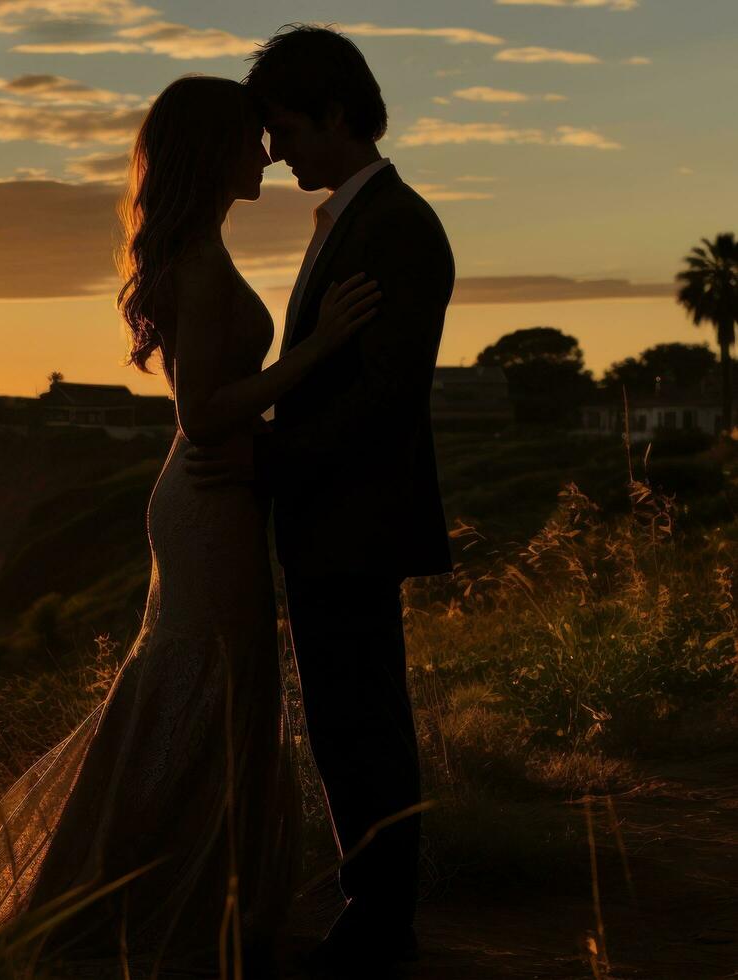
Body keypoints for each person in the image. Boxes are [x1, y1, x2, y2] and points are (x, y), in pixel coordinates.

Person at [0, 72, 381, 976]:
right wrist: (317, 353)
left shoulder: (197, 246)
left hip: (217, 493)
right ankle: (132, 898)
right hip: (208, 492)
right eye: (253, 139)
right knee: (200, 688)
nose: (267, 153)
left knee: (215, 687)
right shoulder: (198, 262)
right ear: (213, 151)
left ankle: (195, 897)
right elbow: (203, 415)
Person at [191, 24, 457, 976]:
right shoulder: (355, 216)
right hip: (331, 520)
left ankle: (379, 925)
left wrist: (266, 460)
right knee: (348, 721)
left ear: (336, 116)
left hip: (354, 521)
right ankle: (371, 914)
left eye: (285, 128)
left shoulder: (395, 225)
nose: (272, 150)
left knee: (362, 723)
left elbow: (385, 396)